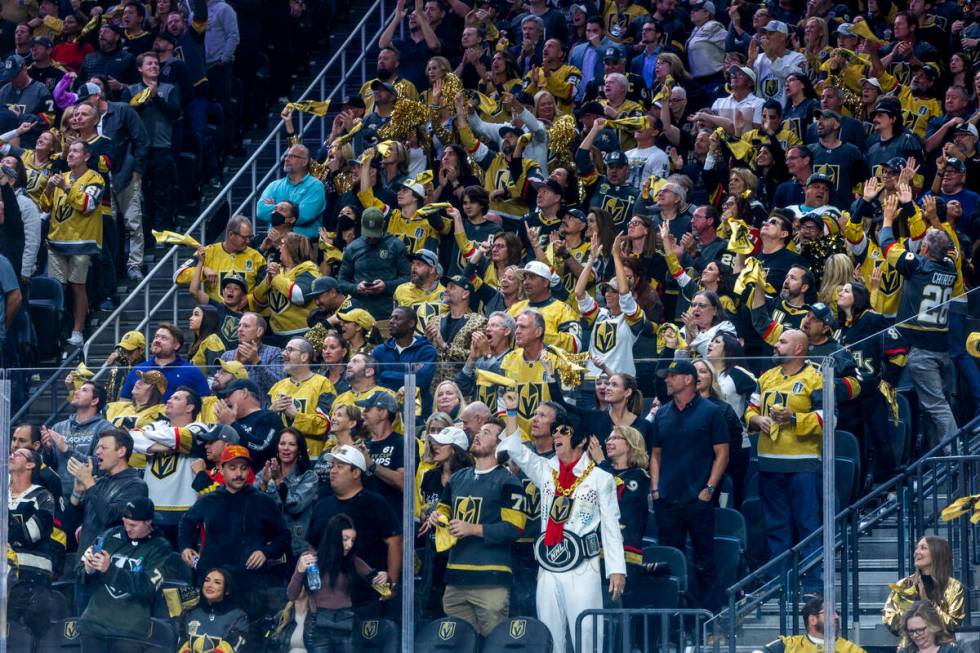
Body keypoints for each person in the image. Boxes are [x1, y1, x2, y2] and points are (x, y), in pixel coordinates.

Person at [497, 390, 625, 653]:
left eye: (563, 432)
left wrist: (616, 569)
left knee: (587, 634)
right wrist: (511, 414)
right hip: (548, 567)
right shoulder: (545, 470)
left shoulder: (601, 479)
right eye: (555, 431)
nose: (556, 435)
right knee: (549, 634)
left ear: (580, 440)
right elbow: (515, 450)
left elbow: (612, 528)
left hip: (583, 567)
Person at [417, 418, 525, 636]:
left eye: (486, 433)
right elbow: (444, 509)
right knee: (459, 643)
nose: (477, 435)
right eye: (479, 431)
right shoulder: (457, 478)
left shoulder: (509, 482)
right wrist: (437, 516)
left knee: (494, 644)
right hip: (455, 578)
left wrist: (473, 529)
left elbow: (515, 528)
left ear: (500, 444)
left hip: (491, 580)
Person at [178, 445, 291, 631]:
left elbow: (284, 536)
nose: (239, 473)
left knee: (247, 635)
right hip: (213, 578)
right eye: (232, 467)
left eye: (243, 468)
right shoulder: (209, 500)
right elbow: (186, 523)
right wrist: (185, 546)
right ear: (221, 469)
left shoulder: (262, 501)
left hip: (249, 583)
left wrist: (266, 552)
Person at [879, 194, 960, 446]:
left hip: (921, 351)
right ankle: (936, 454)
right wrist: (935, 223)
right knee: (936, 406)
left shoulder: (918, 266)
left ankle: (956, 457)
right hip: (941, 348)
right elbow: (950, 248)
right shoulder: (950, 266)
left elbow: (887, 244)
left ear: (924, 250)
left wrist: (888, 218)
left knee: (936, 407)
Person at [745, 330, 823, 589]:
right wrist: (756, 420)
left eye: (782, 342)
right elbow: (751, 409)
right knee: (775, 527)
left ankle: (812, 584)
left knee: (807, 526)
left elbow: (828, 418)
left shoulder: (816, 377)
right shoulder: (766, 377)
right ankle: (778, 583)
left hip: (803, 465)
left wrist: (795, 419)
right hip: (769, 463)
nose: (776, 346)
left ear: (799, 349)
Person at [650, 359, 728, 611]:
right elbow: (655, 455)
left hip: (699, 499)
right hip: (667, 500)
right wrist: (655, 490)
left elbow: (722, 454)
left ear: (688, 379)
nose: (667, 380)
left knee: (705, 559)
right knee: (669, 561)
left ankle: (712, 616)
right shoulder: (662, 413)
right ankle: (673, 621)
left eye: (672, 376)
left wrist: (709, 489)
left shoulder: (711, 411)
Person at [308, 445, 403, 616]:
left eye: (340, 466)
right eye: (332, 466)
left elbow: (394, 543)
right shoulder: (322, 505)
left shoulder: (376, 503)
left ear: (356, 473)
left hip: (367, 594)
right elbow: (313, 549)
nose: (333, 471)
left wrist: (392, 584)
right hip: (328, 597)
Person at [76, 497, 170, 653]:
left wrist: (109, 570)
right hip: (93, 623)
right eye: (125, 523)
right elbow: (81, 571)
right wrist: (88, 570)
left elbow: (147, 586)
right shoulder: (111, 535)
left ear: (148, 522)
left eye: (133, 525)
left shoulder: (160, 547)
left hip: (129, 631)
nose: (127, 529)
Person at [38, 139, 105, 346]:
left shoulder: (95, 178)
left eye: (76, 151)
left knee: (77, 286)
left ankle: (77, 330)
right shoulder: (61, 177)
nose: (70, 154)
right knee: (57, 288)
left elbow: (87, 205)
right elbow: (45, 207)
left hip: (81, 242)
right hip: (57, 241)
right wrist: (49, 189)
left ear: (86, 156)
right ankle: (57, 331)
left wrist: (66, 188)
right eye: (69, 151)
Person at [291, 514, 389, 653]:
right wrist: (299, 571)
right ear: (333, 537)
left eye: (352, 540)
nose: (349, 544)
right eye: (345, 539)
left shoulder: (354, 562)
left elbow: (386, 592)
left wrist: (386, 578)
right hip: (318, 627)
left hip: (346, 625)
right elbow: (291, 595)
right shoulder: (311, 559)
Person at [120, 51, 180, 231]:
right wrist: (144, 101)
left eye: (156, 63)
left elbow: (175, 113)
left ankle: (162, 231)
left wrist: (156, 97)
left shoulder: (170, 89)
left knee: (162, 192)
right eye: (149, 64)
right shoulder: (130, 91)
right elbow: (126, 119)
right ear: (140, 69)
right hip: (138, 150)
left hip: (162, 147)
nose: (154, 66)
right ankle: (144, 233)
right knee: (140, 194)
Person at [7, 447, 56, 638]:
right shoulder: (3, 494)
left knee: (29, 639)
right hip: (5, 579)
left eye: (18, 454)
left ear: (30, 465)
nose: (11, 455)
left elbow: (31, 533)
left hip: (33, 581)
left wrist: (6, 521)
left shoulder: (43, 496)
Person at [336, 208, 412, 321]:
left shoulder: (396, 245)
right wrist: (356, 288)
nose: (372, 238)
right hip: (359, 313)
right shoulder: (352, 248)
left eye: (375, 234)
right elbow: (341, 282)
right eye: (368, 234)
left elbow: (408, 278)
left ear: (384, 225)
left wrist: (386, 286)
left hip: (389, 312)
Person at [255, 428, 319, 562]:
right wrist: (264, 485)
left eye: (292, 444)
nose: (286, 448)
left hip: (297, 549)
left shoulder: (309, 477)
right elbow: (254, 506)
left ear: (299, 449)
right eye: (282, 443)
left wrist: (279, 482)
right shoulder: (265, 473)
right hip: (269, 546)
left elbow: (295, 505)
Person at [883, 536, 966, 635]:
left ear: (937, 553)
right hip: (910, 647)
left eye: (923, 548)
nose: (916, 552)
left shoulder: (954, 586)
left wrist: (927, 604)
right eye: (916, 548)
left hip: (941, 647)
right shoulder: (903, 585)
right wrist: (912, 608)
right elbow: (890, 622)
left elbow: (953, 625)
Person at [43, 381, 114, 495]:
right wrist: (47, 451)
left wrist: (66, 449)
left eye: (84, 390)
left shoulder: (106, 429)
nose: (76, 392)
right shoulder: (59, 427)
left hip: (91, 497)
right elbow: (50, 466)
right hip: (61, 496)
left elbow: (100, 466)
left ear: (94, 401)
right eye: (78, 389)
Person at [268, 338, 336, 456]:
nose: (283, 354)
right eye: (284, 350)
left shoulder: (323, 384)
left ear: (304, 357)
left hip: (311, 458)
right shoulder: (277, 387)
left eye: (290, 350)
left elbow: (326, 425)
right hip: (280, 458)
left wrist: (296, 416)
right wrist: (270, 412)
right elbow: (266, 427)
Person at [119, 323, 211, 401]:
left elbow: (205, 404)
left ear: (176, 345)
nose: (157, 340)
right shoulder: (138, 369)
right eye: (156, 337)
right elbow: (124, 403)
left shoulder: (192, 371)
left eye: (164, 338)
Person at [256, 143, 327, 238]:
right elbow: (261, 211)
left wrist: (275, 207)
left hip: (303, 245)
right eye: (286, 156)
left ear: (305, 162)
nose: (286, 159)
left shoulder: (316, 186)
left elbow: (304, 215)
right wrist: (287, 211)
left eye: (292, 156)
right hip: (273, 242)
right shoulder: (274, 185)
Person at [355, 391, 406, 514]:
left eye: (368, 409)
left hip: (391, 518)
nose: (363, 413)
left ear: (383, 412)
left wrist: (371, 465)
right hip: (364, 517)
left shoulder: (402, 443)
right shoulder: (362, 446)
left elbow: (403, 482)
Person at [177, 567, 250, 653]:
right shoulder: (190, 612)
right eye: (207, 580)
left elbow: (233, 646)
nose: (209, 585)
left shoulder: (238, 616)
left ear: (227, 590)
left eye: (217, 582)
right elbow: (182, 643)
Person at [219, 312, 285, 397]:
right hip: (233, 407)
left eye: (246, 326)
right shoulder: (227, 356)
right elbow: (219, 387)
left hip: (263, 408)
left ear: (259, 331)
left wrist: (257, 362)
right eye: (239, 325)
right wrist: (236, 365)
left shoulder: (274, 352)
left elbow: (278, 386)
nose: (239, 329)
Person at [777, 595, 867, 653]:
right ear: (812, 619)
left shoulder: (852, 650)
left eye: (837, 613)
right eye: (830, 612)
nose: (836, 616)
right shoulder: (789, 644)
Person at [896, 602, 963, 653]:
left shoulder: (952, 650)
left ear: (933, 627)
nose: (915, 635)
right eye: (911, 631)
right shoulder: (904, 651)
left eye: (920, 630)